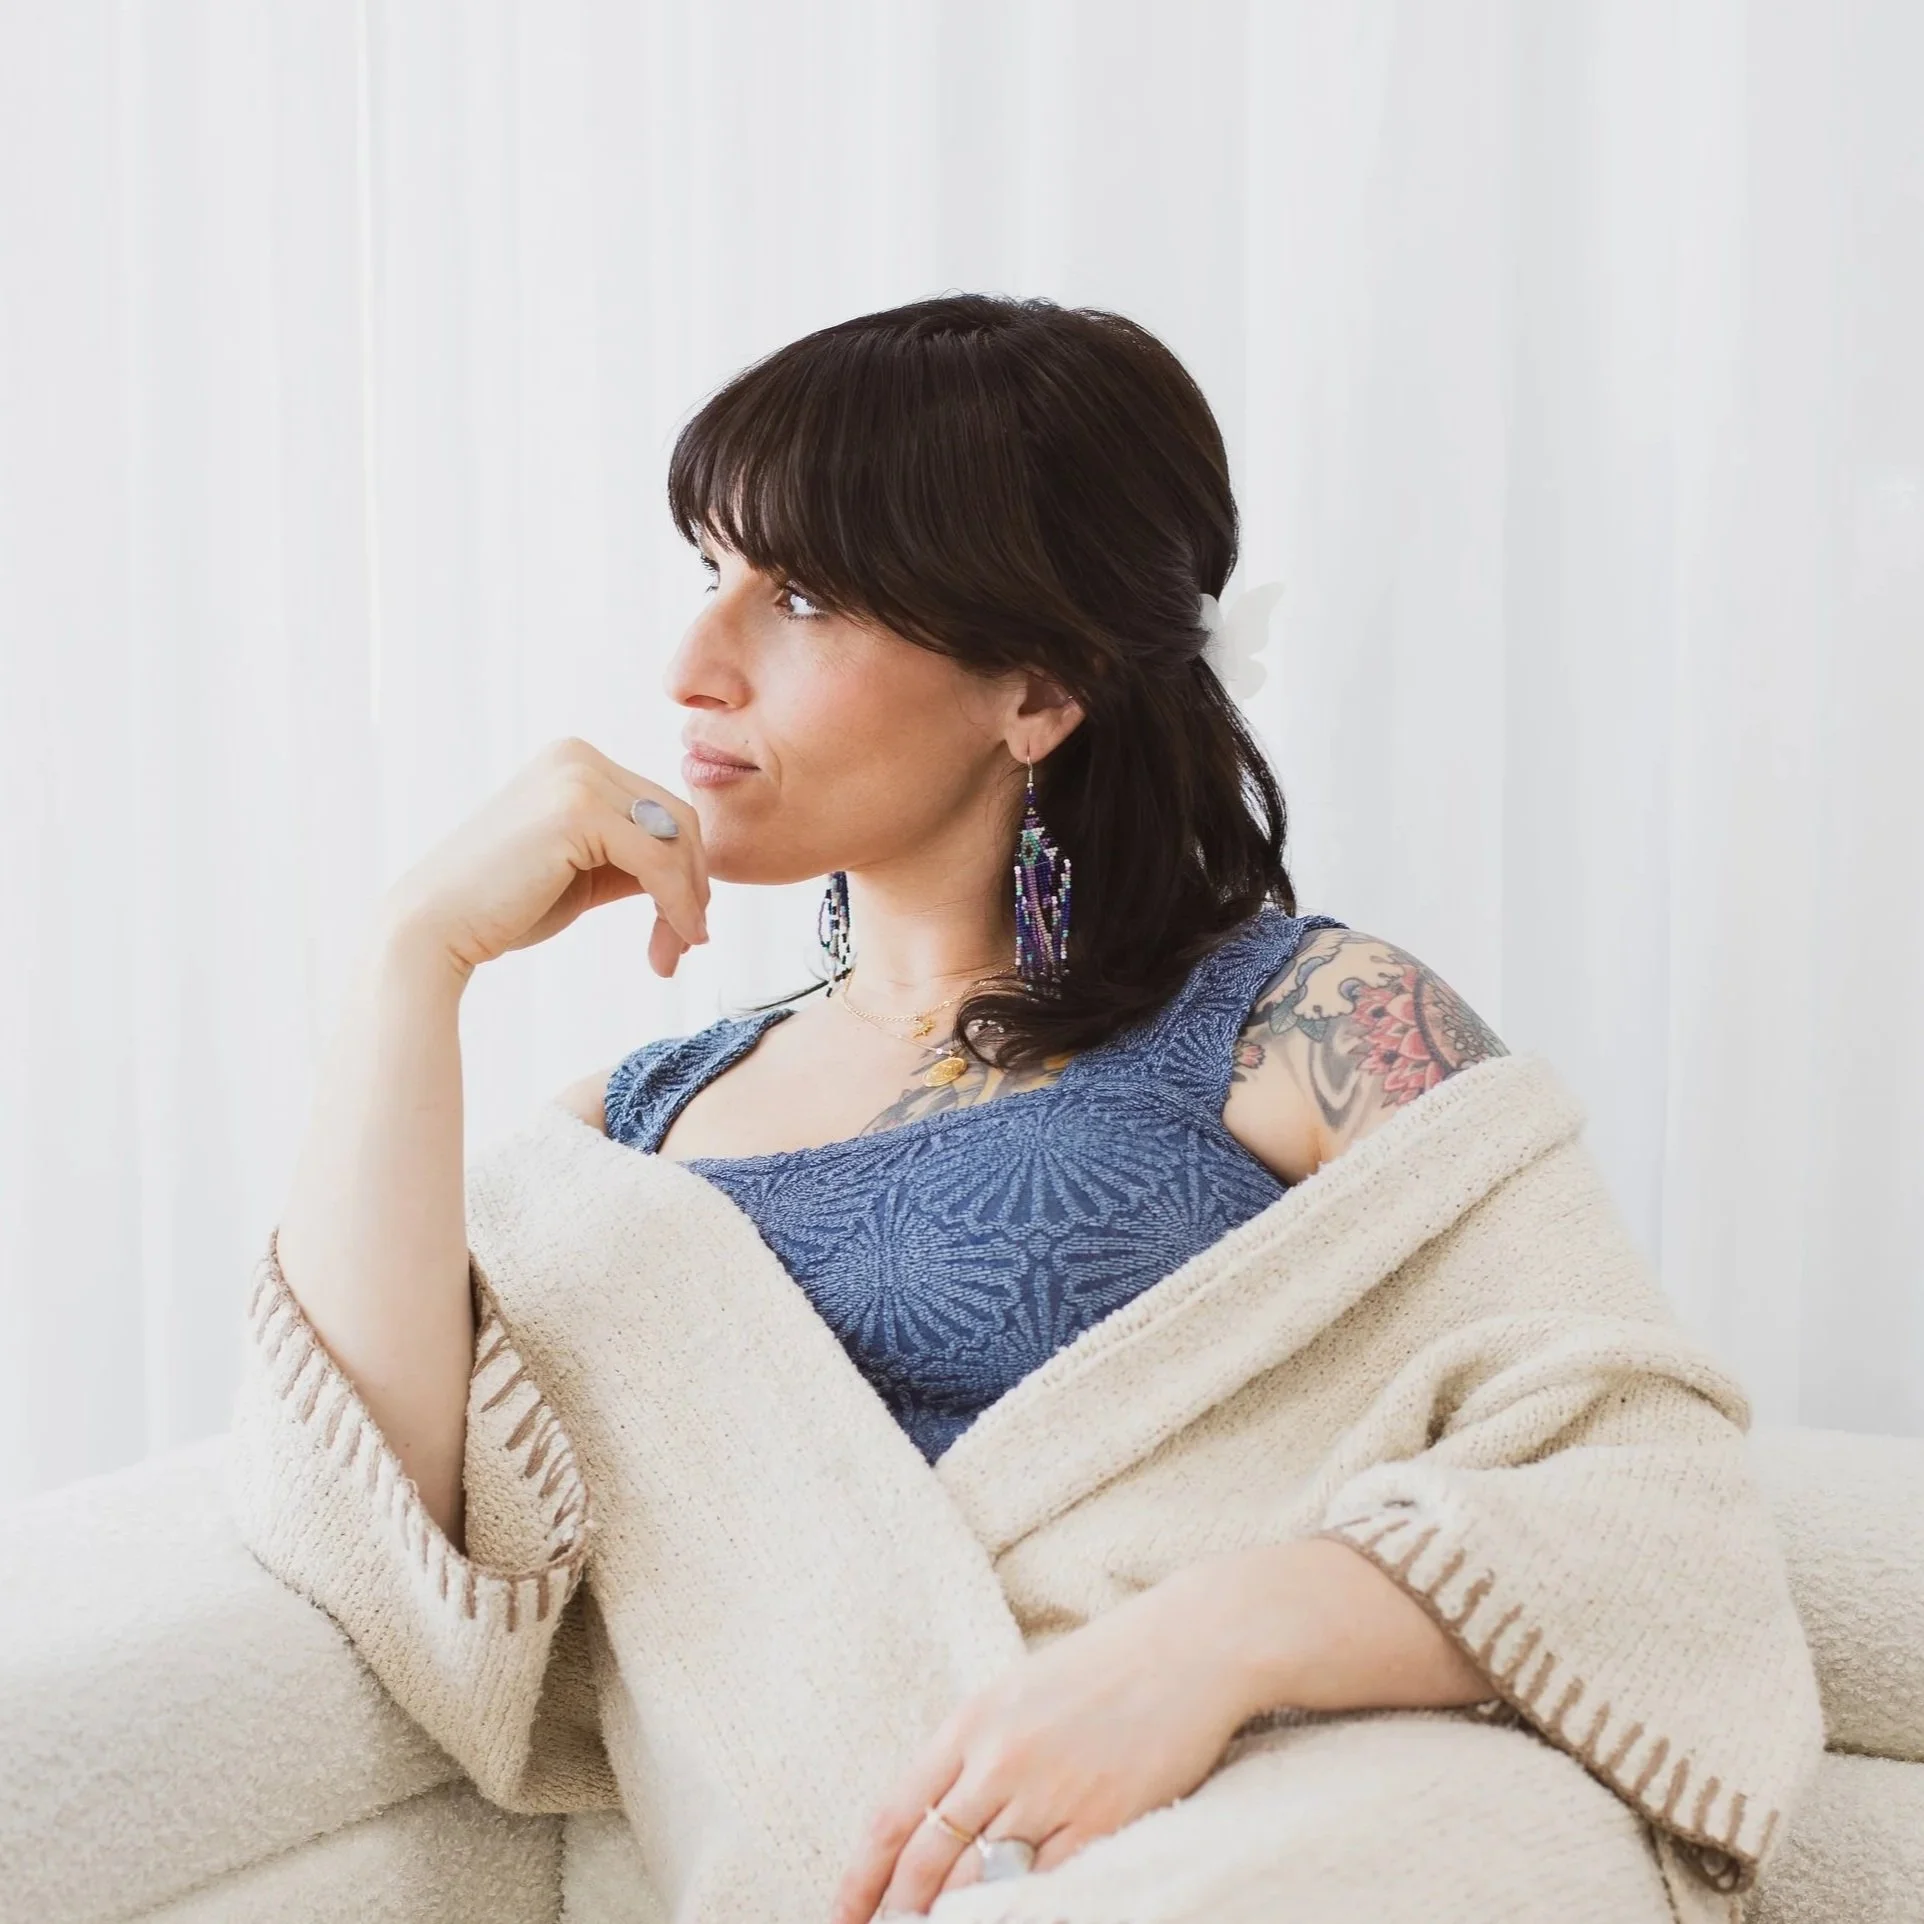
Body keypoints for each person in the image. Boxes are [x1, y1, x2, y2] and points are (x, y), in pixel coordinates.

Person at [260, 296, 1771, 1924]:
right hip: (878, 1865)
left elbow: (1652, 1494)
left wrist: (1222, 1635)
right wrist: (414, 959)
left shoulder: (1310, 1024)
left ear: (1036, 697)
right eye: (711, 576)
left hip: (1300, 1809)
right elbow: (364, 1527)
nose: (693, 664)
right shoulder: (630, 1137)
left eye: (805, 596)